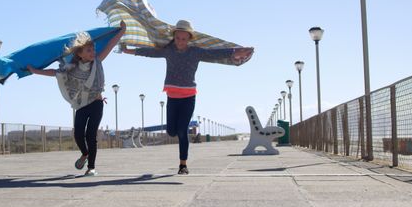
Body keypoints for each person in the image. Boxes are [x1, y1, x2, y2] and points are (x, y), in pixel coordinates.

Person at [121, 20, 252, 175]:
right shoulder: (168, 50)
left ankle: (183, 165)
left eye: (184, 39)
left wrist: (235, 52)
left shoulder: (195, 52)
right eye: (178, 38)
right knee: (171, 131)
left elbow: (214, 54)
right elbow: (149, 52)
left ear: (189, 39)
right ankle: (180, 149)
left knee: (182, 130)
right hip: (172, 96)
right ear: (174, 37)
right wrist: (128, 50)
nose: (180, 42)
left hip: (189, 97)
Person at [27, 21, 126, 176]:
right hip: (82, 105)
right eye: (88, 50)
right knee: (78, 134)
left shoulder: (97, 62)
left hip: (97, 103)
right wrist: (36, 71)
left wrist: (121, 32)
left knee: (91, 134)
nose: (92, 52)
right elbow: (56, 73)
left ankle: (91, 167)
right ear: (79, 53)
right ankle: (85, 154)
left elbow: (110, 45)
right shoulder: (72, 68)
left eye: (92, 49)